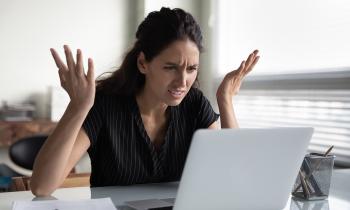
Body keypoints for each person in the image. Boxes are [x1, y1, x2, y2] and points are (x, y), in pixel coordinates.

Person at [30, 7, 259, 196]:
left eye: (191, 69)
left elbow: (235, 175)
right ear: (143, 63)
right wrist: (78, 106)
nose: (183, 81)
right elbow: (41, 187)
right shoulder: (105, 104)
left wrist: (225, 99)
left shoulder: (194, 104)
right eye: (171, 67)